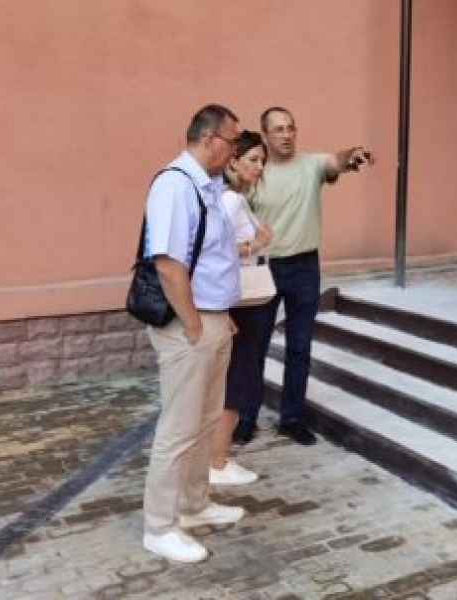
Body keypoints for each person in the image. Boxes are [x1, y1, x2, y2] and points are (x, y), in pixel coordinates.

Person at [141, 104, 247, 563]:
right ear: (209, 139)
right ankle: (159, 527)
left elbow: (213, 258)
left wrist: (222, 314)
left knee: (204, 422)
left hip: (212, 318)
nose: (236, 151)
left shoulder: (209, 186)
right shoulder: (175, 185)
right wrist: (194, 324)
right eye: (233, 141)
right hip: (189, 324)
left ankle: (194, 504)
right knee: (178, 429)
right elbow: (168, 264)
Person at [238, 106, 373, 446]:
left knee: (299, 347)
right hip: (264, 268)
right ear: (265, 135)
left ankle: (292, 419)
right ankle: (245, 419)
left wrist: (353, 155)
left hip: (304, 268)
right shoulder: (255, 171)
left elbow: (337, 161)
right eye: (278, 129)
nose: (286, 135)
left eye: (290, 128)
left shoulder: (312, 165)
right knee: (254, 347)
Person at [209, 131, 273, 486]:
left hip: (240, 301)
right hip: (243, 303)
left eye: (262, 161)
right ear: (232, 161)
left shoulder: (233, 198)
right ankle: (218, 462)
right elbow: (215, 252)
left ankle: (217, 458)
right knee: (238, 382)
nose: (259, 167)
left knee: (234, 380)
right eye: (252, 159)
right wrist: (255, 245)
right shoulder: (231, 200)